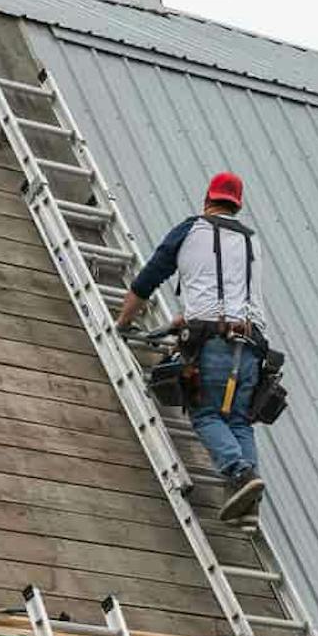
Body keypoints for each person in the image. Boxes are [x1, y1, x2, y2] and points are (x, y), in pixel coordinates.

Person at [117, 169, 272, 523]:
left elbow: (148, 279)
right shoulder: (252, 241)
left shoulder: (192, 229)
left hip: (211, 345)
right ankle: (248, 504)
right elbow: (229, 293)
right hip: (251, 348)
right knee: (238, 420)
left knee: (205, 414)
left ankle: (240, 475)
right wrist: (183, 319)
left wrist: (123, 323)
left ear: (208, 200)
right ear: (237, 205)